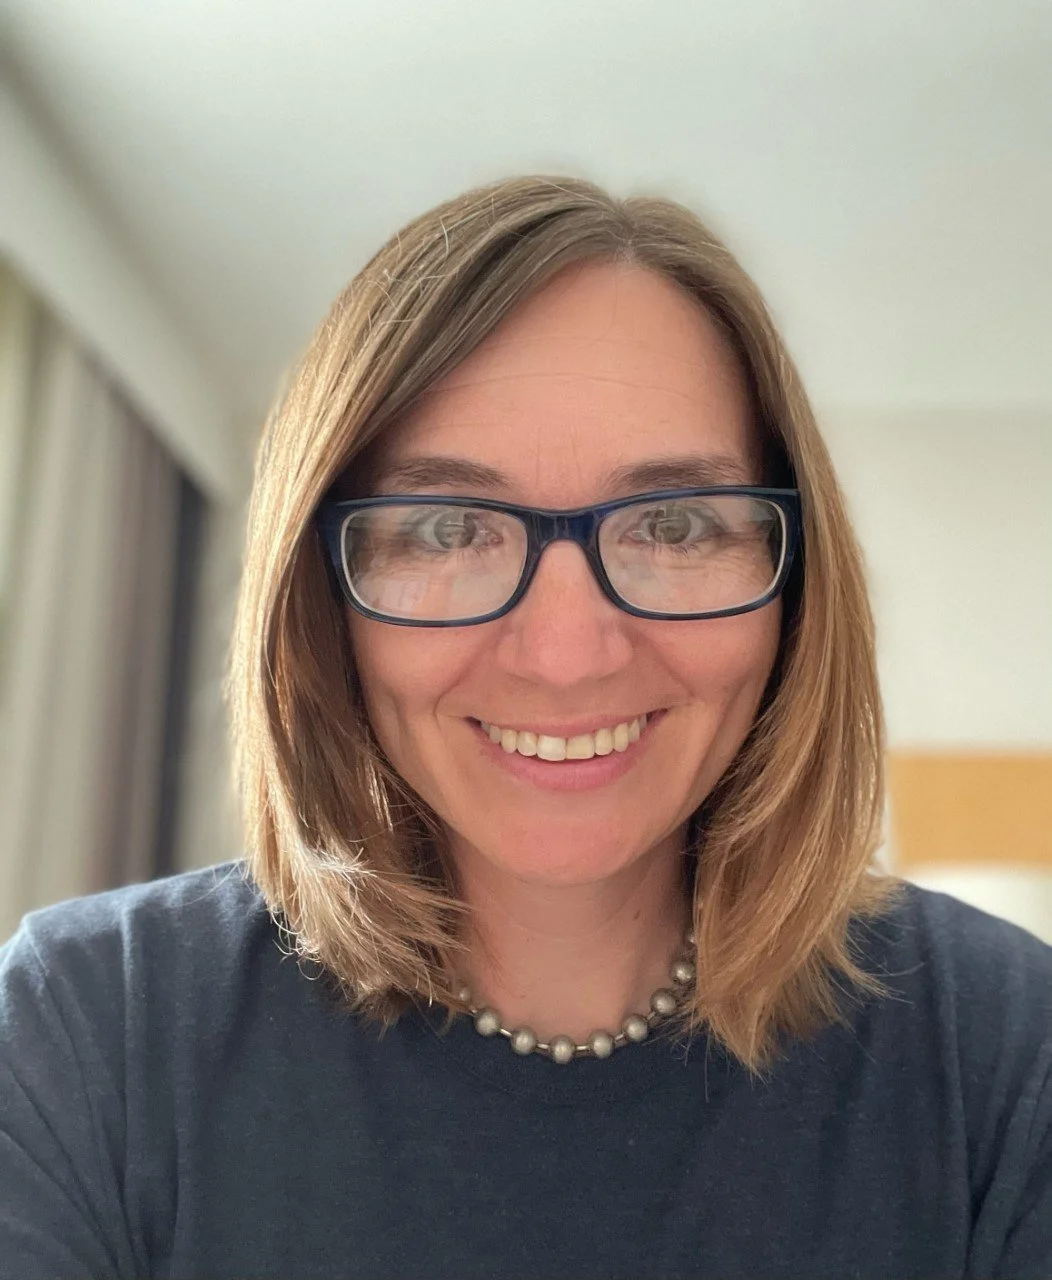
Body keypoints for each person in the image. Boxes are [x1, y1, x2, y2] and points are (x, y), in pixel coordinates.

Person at [1, 175, 1049, 1280]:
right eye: (447, 528)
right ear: (322, 596)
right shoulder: (84, 1031)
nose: (564, 653)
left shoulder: (997, 1051)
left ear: (792, 587)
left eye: (676, 523)